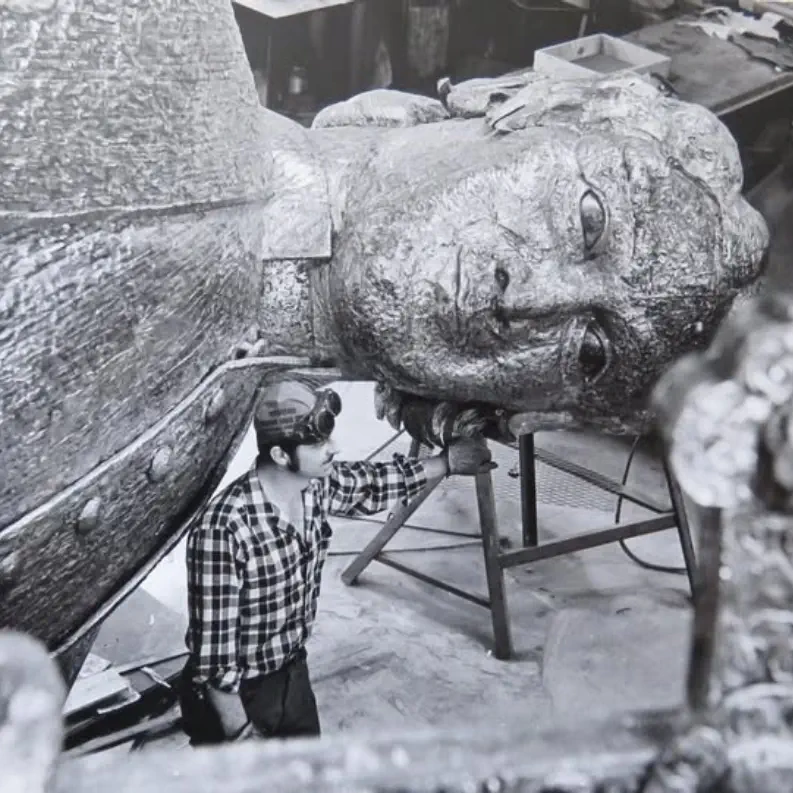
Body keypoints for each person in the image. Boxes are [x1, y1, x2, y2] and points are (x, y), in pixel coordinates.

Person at [179, 379, 495, 744]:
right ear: (281, 455)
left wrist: (447, 463)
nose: (334, 448)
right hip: (235, 699)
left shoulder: (311, 485)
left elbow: (369, 483)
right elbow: (215, 664)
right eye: (318, 444)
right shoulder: (224, 530)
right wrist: (242, 735)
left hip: (291, 672)